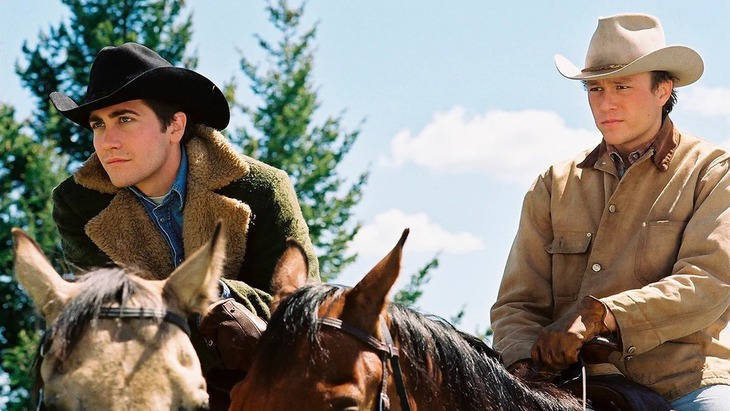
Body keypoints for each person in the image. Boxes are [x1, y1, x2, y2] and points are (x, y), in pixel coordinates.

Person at [50, 42, 320, 409]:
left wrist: (215, 293)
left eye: (125, 119)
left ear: (175, 125)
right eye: (98, 124)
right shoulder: (78, 205)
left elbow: (302, 310)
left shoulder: (261, 188)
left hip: (260, 386)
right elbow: (106, 319)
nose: (107, 142)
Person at [490, 13, 730, 410]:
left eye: (622, 86)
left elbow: (708, 283)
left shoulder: (713, 172)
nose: (606, 102)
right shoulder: (554, 184)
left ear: (663, 90)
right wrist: (522, 364)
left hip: (682, 384)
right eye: (595, 88)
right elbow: (517, 304)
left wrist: (603, 315)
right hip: (563, 388)